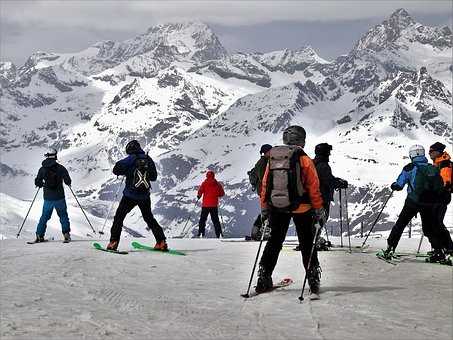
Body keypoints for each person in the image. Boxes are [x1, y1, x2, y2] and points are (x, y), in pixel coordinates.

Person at [257, 125, 325, 295]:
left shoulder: (273, 157)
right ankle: (313, 278)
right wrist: (318, 208)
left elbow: (265, 184)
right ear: (302, 139)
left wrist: (265, 207)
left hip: (278, 208)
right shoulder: (304, 159)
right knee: (307, 242)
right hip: (302, 208)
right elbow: (313, 186)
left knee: (274, 242)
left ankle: (264, 276)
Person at [384, 145, 445, 262]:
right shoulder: (431, 167)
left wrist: (394, 185)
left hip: (412, 202)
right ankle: (439, 251)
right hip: (428, 203)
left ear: (412, 155)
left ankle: (390, 248)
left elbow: (399, 184)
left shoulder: (409, 167)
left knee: (400, 224)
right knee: (429, 228)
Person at [107, 140, 167, 251]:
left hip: (130, 195)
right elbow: (153, 177)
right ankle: (161, 241)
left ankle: (113, 242)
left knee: (119, 218)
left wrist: (127, 172)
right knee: (149, 218)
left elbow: (116, 169)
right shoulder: (148, 159)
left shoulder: (131, 158)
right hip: (144, 196)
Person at [34, 148, 72, 242]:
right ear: (55, 155)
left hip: (48, 198)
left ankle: (39, 235)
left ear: (47, 156)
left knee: (44, 217)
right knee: (63, 216)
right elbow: (68, 180)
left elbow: (37, 181)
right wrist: (67, 183)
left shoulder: (42, 169)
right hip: (59, 197)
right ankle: (66, 235)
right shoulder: (60, 168)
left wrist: (42, 184)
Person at [428, 142, 453, 255]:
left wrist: (439, 190)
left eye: (431, 151)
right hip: (441, 196)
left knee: (436, 222)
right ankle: (445, 247)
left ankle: (448, 247)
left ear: (437, 152)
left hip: (441, 196)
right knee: (436, 222)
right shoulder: (439, 162)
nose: (429, 153)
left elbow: (445, 179)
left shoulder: (443, 163)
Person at [248, 144, 272, 240]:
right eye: (270, 151)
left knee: (268, 211)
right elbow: (263, 178)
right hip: (264, 191)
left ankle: (259, 231)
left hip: (264, 191)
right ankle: (257, 232)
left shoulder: (264, 161)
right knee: (266, 212)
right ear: (266, 152)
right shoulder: (263, 162)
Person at [197, 171, 225, 238]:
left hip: (205, 205)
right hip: (214, 205)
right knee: (215, 220)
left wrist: (199, 196)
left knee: (203, 219)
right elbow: (222, 193)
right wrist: (217, 194)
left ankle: (201, 233)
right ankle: (219, 234)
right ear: (214, 176)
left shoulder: (204, 183)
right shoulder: (217, 184)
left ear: (207, 176)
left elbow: (200, 191)